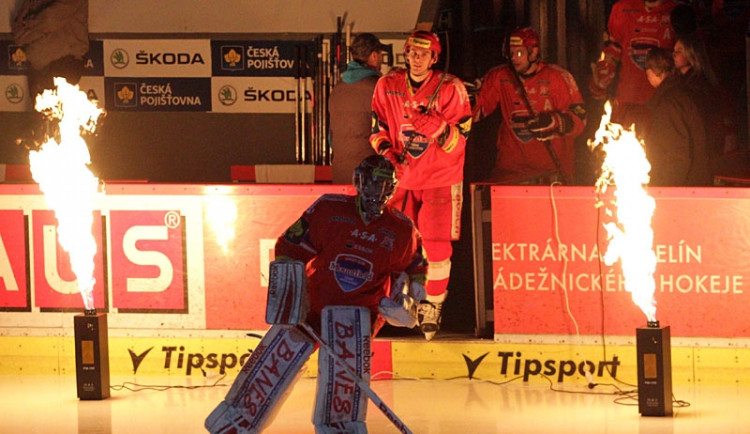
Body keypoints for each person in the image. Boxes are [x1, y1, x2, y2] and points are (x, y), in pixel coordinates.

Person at [206, 155, 428, 433]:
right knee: (277, 361)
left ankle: (340, 429)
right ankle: (236, 421)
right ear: (360, 181)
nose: (377, 193)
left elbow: (415, 267)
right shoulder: (329, 210)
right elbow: (290, 248)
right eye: (373, 185)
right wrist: (292, 295)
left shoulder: (401, 229)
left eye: (384, 187)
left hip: (357, 318)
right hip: (312, 308)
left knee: (343, 387)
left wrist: (405, 304)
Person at [370, 30, 472, 341]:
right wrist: (387, 153)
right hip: (402, 178)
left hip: (441, 178)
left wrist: (441, 129)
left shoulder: (451, 88)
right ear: (405, 53)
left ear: (434, 57)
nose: (417, 58)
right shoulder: (387, 85)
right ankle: (396, 303)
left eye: (424, 54)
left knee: (437, 246)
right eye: (413, 52)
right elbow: (377, 128)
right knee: (394, 244)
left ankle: (433, 305)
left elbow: (461, 140)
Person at [472, 26, 586, 184]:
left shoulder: (558, 77)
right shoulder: (499, 76)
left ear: (533, 53)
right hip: (511, 171)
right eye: (510, 53)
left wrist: (555, 122)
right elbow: (476, 111)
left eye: (519, 53)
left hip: (553, 171)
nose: (514, 58)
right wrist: (465, 97)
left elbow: (581, 118)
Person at [590, 0, 678, 127]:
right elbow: (613, 49)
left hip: (664, 105)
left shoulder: (677, 11)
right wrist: (603, 76)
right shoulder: (622, 9)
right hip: (626, 102)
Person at [642, 47, 712, 186]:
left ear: (653, 72)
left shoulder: (668, 104)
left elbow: (677, 155)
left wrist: (665, 191)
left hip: (684, 189)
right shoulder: (688, 93)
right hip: (699, 183)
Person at [328, 33, 388, 184]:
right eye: (380, 54)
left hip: (341, 174)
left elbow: (331, 138)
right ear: (374, 56)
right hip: (371, 175)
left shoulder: (337, 88)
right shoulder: (380, 87)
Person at [672, 35, 737, 155]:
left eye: (679, 51)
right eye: (674, 51)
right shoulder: (678, 81)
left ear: (691, 54)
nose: (674, 55)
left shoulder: (698, 83)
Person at [12, 0, 89, 99]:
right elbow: (18, 34)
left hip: (63, 65)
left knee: (59, 111)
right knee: (41, 112)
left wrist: (28, 26)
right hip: (37, 68)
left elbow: (49, 19)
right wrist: (35, 25)